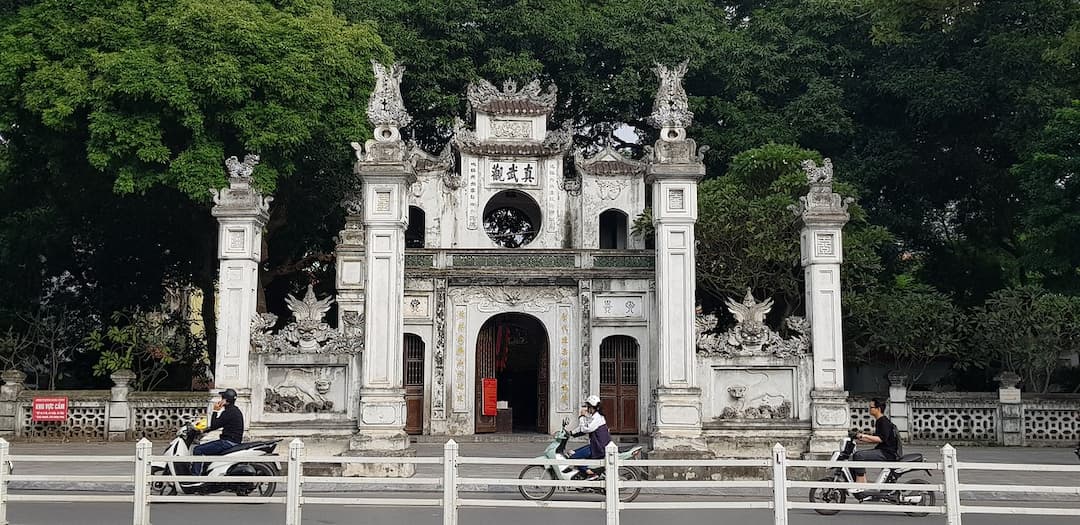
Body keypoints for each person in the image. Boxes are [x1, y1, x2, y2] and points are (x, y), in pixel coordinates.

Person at [191, 388, 244, 476]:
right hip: (233, 441)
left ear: (226, 401)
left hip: (227, 442)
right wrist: (203, 431)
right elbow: (218, 424)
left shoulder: (228, 412)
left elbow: (214, 424)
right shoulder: (235, 411)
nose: (220, 400)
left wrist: (215, 410)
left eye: (222, 398)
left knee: (198, 450)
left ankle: (195, 477)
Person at [851, 397, 900, 485]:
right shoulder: (880, 421)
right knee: (858, 455)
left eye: (871, 407)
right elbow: (877, 439)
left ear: (878, 409)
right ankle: (863, 481)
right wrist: (861, 439)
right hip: (884, 451)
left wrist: (864, 435)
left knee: (859, 456)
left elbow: (881, 438)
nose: (869, 409)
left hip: (887, 453)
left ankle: (860, 483)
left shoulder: (883, 421)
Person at [567, 395, 612, 480]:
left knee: (574, 456)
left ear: (592, 407)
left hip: (598, 447)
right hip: (595, 445)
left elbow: (586, 429)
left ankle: (591, 473)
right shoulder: (594, 416)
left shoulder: (597, 417)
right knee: (572, 452)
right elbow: (584, 426)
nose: (587, 409)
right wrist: (571, 433)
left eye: (588, 406)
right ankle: (584, 472)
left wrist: (581, 417)